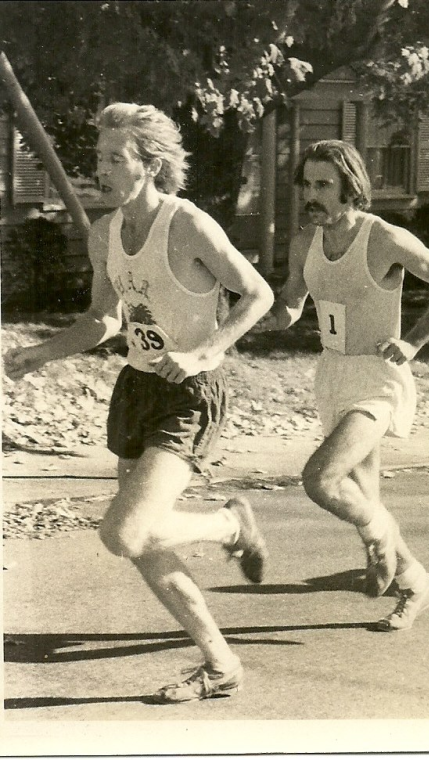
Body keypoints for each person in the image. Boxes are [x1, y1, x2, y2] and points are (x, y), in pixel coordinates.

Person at [3, 103, 274, 702]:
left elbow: (256, 293)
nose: (101, 169)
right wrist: (41, 353)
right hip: (138, 389)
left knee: (125, 533)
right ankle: (220, 662)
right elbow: (104, 319)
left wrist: (206, 352)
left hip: (190, 395)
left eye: (114, 159)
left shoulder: (188, 225)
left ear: (149, 166)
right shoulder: (105, 233)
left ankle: (230, 523)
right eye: (99, 157)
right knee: (144, 543)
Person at [256, 140, 429, 631]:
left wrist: (414, 342)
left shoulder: (384, 239)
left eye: (323, 185)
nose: (312, 195)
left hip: (377, 381)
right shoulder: (305, 241)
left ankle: (381, 538)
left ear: (351, 188)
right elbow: (291, 305)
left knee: (321, 479)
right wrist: (255, 319)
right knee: (364, 492)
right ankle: (416, 582)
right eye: (307, 184)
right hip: (332, 376)